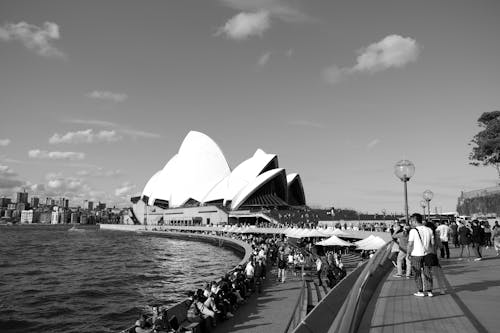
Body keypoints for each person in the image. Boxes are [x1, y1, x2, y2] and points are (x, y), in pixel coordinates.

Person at [407, 213, 435, 297]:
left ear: (415, 221)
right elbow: (432, 243)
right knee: (428, 272)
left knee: (417, 273)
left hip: (416, 255)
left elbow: (410, 244)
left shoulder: (413, 231)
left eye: (411, 221)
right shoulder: (429, 230)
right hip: (427, 254)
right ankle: (429, 291)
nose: (411, 223)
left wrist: (408, 254)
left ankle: (420, 291)